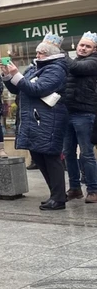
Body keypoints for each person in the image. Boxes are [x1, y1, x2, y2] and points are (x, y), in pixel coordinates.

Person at [1, 33, 68, 211]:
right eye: (37, 53)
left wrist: (16, 74)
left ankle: (59, 198)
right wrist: (8, 76)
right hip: (34, 119)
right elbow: (18, 88)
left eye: (40, 53)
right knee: (39, 156)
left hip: (49, 119)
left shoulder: (56, 68)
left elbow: (37, 88)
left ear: (49, 54)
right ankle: (55, 195)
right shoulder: (35, 67)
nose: (37, 56)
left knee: (51, 157)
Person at [62, 31, 97, 203]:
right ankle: (75, 188)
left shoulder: (94, 62)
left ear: (94, 49)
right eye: (81, 45)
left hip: (85, 113)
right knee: (68, 153)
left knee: (87, 154)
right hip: (68, 113)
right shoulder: (73, 61)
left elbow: (77, 69)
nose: (83, 48)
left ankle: (93, 190)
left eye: (87, 46)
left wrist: (59, 53)